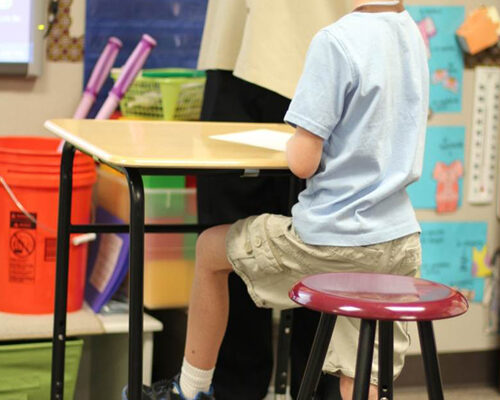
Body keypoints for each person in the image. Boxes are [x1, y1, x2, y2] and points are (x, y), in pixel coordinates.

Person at [123, 0, 429, 398]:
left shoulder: (333, 42)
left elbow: (302, 162)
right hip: (400, 242)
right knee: (359, 365)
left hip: (334, 241)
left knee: (210, 250)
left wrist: (291, 143)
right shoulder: (413, 37)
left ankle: (192, 389)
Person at [195, 1, 349, 400]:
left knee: (323, 251)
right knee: (228, 245)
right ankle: (232, 389)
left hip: (331, 46)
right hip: (239, 47)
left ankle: (306, 389)